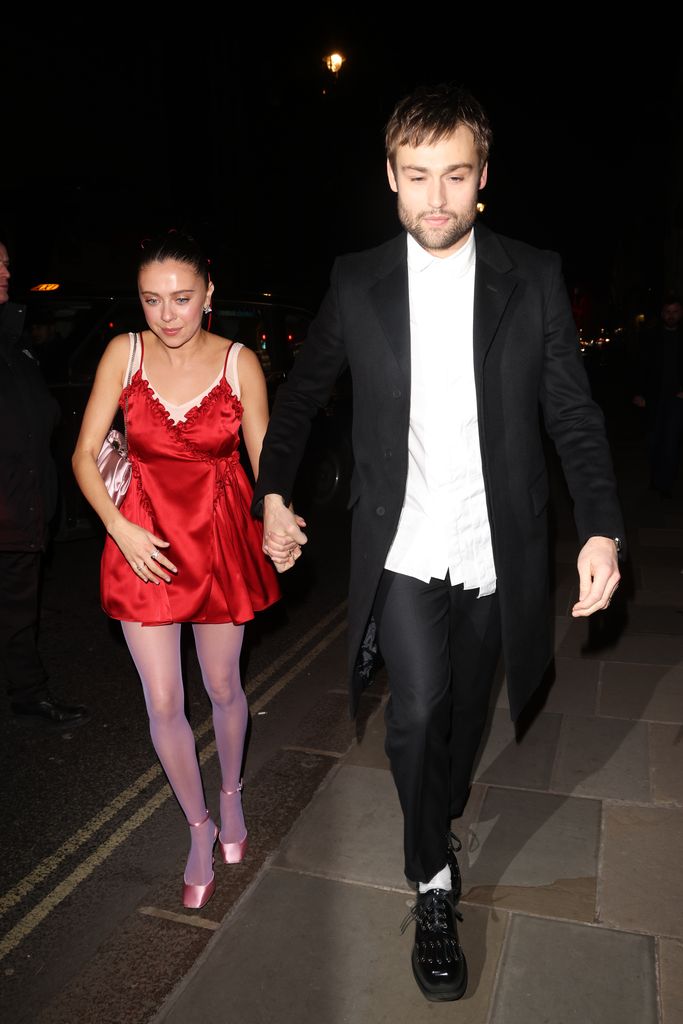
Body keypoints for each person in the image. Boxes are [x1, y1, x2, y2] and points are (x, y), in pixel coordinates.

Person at [252, 84, 624, 1002]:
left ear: (482, 177)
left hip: (497, 543)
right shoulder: (357, 279)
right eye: (416, 176)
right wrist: (270, 493)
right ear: (389, 177)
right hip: (408, 541)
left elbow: (572, 416)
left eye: (454, 176)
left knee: (460, 722)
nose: (435, 198)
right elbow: (299, 400)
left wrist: (603, 528)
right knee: (415, 711)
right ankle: (431, 882)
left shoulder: (529, 276)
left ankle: (442, 804)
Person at [72, 231, 295, 910]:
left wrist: (280, 520)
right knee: (163, 701)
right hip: (143, 540)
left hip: (220, 540)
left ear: (208, 295)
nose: (166, 314)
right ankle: (197, 828)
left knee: (223, 685)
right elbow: (84, 455)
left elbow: (267, 466)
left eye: (181, 299)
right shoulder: (123, 352)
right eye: (150, 300)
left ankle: (230, 795)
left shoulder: (238, 363)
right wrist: (119, 527)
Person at [0, 239, 89, 726]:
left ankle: (28, 695)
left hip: (23, 509)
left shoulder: (15, 342)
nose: (6, 271)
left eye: (8, 262)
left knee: (19, 613)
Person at [632, 295, 683, 497]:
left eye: (675, 311)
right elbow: (639, 365)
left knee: (671, 441)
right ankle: (655, 478)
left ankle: (664, 484)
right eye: (668, 312)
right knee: (653, 440)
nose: (671, 316)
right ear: (663, 314)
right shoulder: (651, 336)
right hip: (653, 397)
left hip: (677, 399)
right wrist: (637, 392)